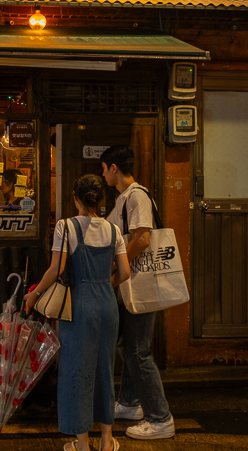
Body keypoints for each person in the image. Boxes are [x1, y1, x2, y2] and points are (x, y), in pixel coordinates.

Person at [24, 174, 130, 451]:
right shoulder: (113, 230)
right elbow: (125, 272)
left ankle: (82, 444)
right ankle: (107, 441)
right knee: (105, 370)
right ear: (100, 200)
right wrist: (105, 285)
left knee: (76, 370)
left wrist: (34, 294)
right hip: (108, 305)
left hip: (79, 305)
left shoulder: (66, 227)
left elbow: (56, 270)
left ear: (75, 198)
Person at [101, 145, 175, 440]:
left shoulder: (136, 195)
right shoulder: (124, 198)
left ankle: (161, 418)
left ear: (114, 168)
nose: (103, 174)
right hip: (131, 286)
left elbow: (143, 239)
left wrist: (118, 274)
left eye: (104, 169)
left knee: (137, 350)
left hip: (139, 283)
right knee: (126, 344)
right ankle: (131, 404)